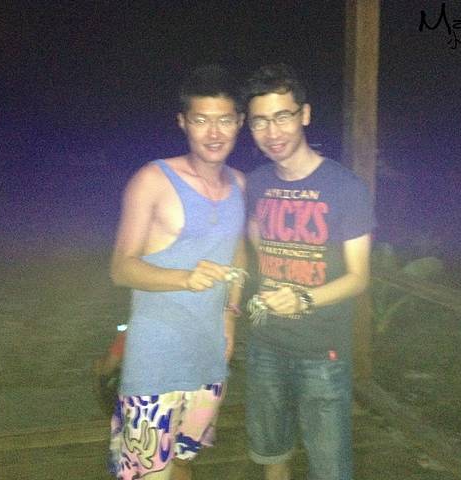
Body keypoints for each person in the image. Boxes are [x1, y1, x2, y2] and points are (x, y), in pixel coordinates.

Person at [108, 64, 246, 480]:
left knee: (185, 461)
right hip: (156, 359)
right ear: (183, 122)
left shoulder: (241, 184)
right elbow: (121, 268)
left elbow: (238, 250)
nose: (214, 132)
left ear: (239, 122)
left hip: (209, 356)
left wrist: (230, 313)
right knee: (150, 473)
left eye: (224, 120)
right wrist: (183, 278)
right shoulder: (153, 179)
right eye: (201, 120)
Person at [242, 64, 375, 480]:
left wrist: (303, 298)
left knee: (329, 466)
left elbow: (359, 277)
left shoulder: (346, 187)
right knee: (271, 454)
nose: (272, 131)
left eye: (282, 116)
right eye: (260, 121)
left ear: (305, 114)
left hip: (322, 351)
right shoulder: (255, 183)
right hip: (264, 343)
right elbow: (256, 247)